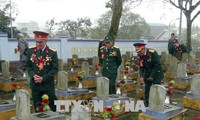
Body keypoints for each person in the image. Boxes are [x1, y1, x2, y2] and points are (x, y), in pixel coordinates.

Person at [25, 30, 58, 112]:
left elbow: (54, 69)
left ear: (46, 41)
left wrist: (43, 78)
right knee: (38, 107)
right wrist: (33, 75)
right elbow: (28, 66)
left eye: (41, 42)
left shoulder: (52, 52)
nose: (38, 44)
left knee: (53, 105)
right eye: (37, 42)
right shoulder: (30, 51)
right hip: (35, 85)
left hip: (47, 85)